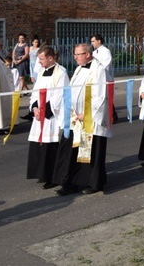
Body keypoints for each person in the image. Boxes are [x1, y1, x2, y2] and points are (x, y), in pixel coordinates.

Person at [53, 43, 110, 195]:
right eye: (75, 54)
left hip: (89, 119)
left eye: (77, 54)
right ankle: (70, 182)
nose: (75, 57)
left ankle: (92, 183)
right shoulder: (79, 69)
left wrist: (87, 113)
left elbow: (101, 95)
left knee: (90, 152)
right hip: (75, 119)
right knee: (71, 152)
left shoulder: (99, 70)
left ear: (87, 54)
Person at [26, 46, 69, 189]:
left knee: (50, 147)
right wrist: (34, 108)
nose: (39, 62)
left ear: (50, 58)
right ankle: (42, 174)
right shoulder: (41, 72)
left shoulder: (61, 72)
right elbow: (35, 93)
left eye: (41, 59)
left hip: (52, 116)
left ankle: (53, 177)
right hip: (40, 115)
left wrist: (45, 110)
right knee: (39, 146)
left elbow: (60, 95)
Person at [90, 33, 117, 123]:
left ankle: (113, 116)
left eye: (93, 41)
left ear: (99, 41)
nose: (92, 43)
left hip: (105, 78)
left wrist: (99, 72)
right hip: (96, 78)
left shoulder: (105, 51)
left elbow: (107, 64)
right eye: (91, 41)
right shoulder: (94, 53)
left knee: (106, 97)